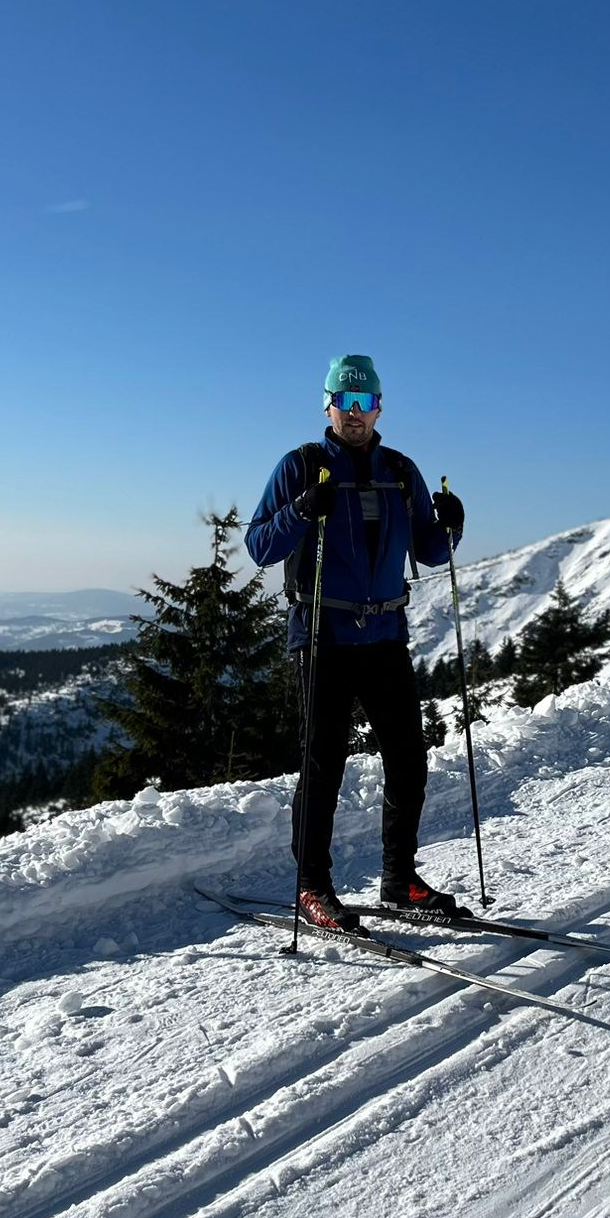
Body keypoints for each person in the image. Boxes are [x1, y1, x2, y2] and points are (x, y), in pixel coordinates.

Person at [246, 354, 466, 933]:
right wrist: (300, 511)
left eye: (364, 402)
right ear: (328, 406)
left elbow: (430, 550)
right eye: (344, 401)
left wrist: (452, 524)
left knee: (408, 757)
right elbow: (260, 546)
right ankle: (312, 887)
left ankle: (400, 881)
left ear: (379, 408)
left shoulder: (401, 470)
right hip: (322, 634)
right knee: (323, 764)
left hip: (386, 634)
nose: (354, 413)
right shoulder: (301, 466)